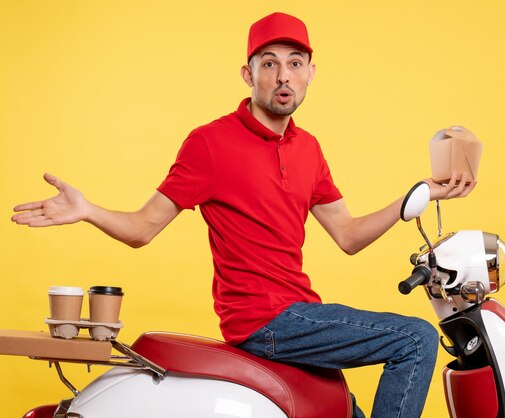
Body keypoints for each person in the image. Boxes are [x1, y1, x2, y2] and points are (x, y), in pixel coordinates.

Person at [11, 12, 476, 418]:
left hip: (302, 316)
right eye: (269, 63)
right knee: (415, 339)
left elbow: (349, 235)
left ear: (311, 73)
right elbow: (142, 228)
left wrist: (420, 194)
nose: (283, 77)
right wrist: (87, 209)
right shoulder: (210, 143)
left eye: (295, 64)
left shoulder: (309, 149)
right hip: (263, 322)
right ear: (247, 73)